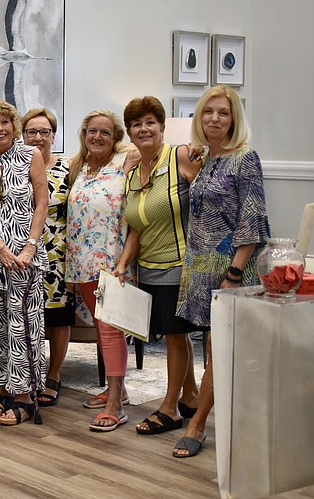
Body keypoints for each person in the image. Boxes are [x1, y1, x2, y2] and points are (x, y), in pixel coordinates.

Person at [171, 85, 269, 458]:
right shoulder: (206, 156)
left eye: (223, 113)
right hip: (199, 265)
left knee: (219, 347)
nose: (214, 118)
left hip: (231, 269)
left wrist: (234, 274)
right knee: (214, 347)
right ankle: (228, 419)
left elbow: (252, 220)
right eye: (208, 111)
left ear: (234, 119)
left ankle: (197, 424)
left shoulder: (245, 157)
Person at [110, 97, 204, 436]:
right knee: (175, 334)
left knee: (176, 337)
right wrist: (123, 263)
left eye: (150, 122)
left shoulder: (181, 157)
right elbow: (137, 227)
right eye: (137, 124)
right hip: (148, 268)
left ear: (162, 127)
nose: (144, 129)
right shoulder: (133, 173)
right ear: (130, 132)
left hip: (180, 265)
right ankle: (190, 396)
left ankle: (169, 408)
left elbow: (209, 195)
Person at [0, 100, 49, 426]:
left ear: (14, 126)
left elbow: (42, 202)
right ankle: (5, 389)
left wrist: (30, 247)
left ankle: (24, 397)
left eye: (5, 122)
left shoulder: (31, 155)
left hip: (25, 256)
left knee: (23, 324)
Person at [65, 109, 140, 432]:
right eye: (91, 131)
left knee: (111, 329)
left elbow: (157, 149)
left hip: (112, 261)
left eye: (105, 132)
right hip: (82, 262)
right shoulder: (78, 166)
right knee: (100, 326)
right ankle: (116, 389)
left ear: (116, 138)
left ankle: (116, 406)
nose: (97, 137)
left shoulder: (126, 162)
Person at [21, 108, 74, 408]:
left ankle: (53, 375)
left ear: (54, 135)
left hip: (58, 253)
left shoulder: (68, 167)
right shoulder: (16, 166)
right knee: (25, 315)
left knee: (58, 316)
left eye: (44, 132)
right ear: (23, 135)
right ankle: (27, 375)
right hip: (21, 253)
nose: (38, 137)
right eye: (32, 132)